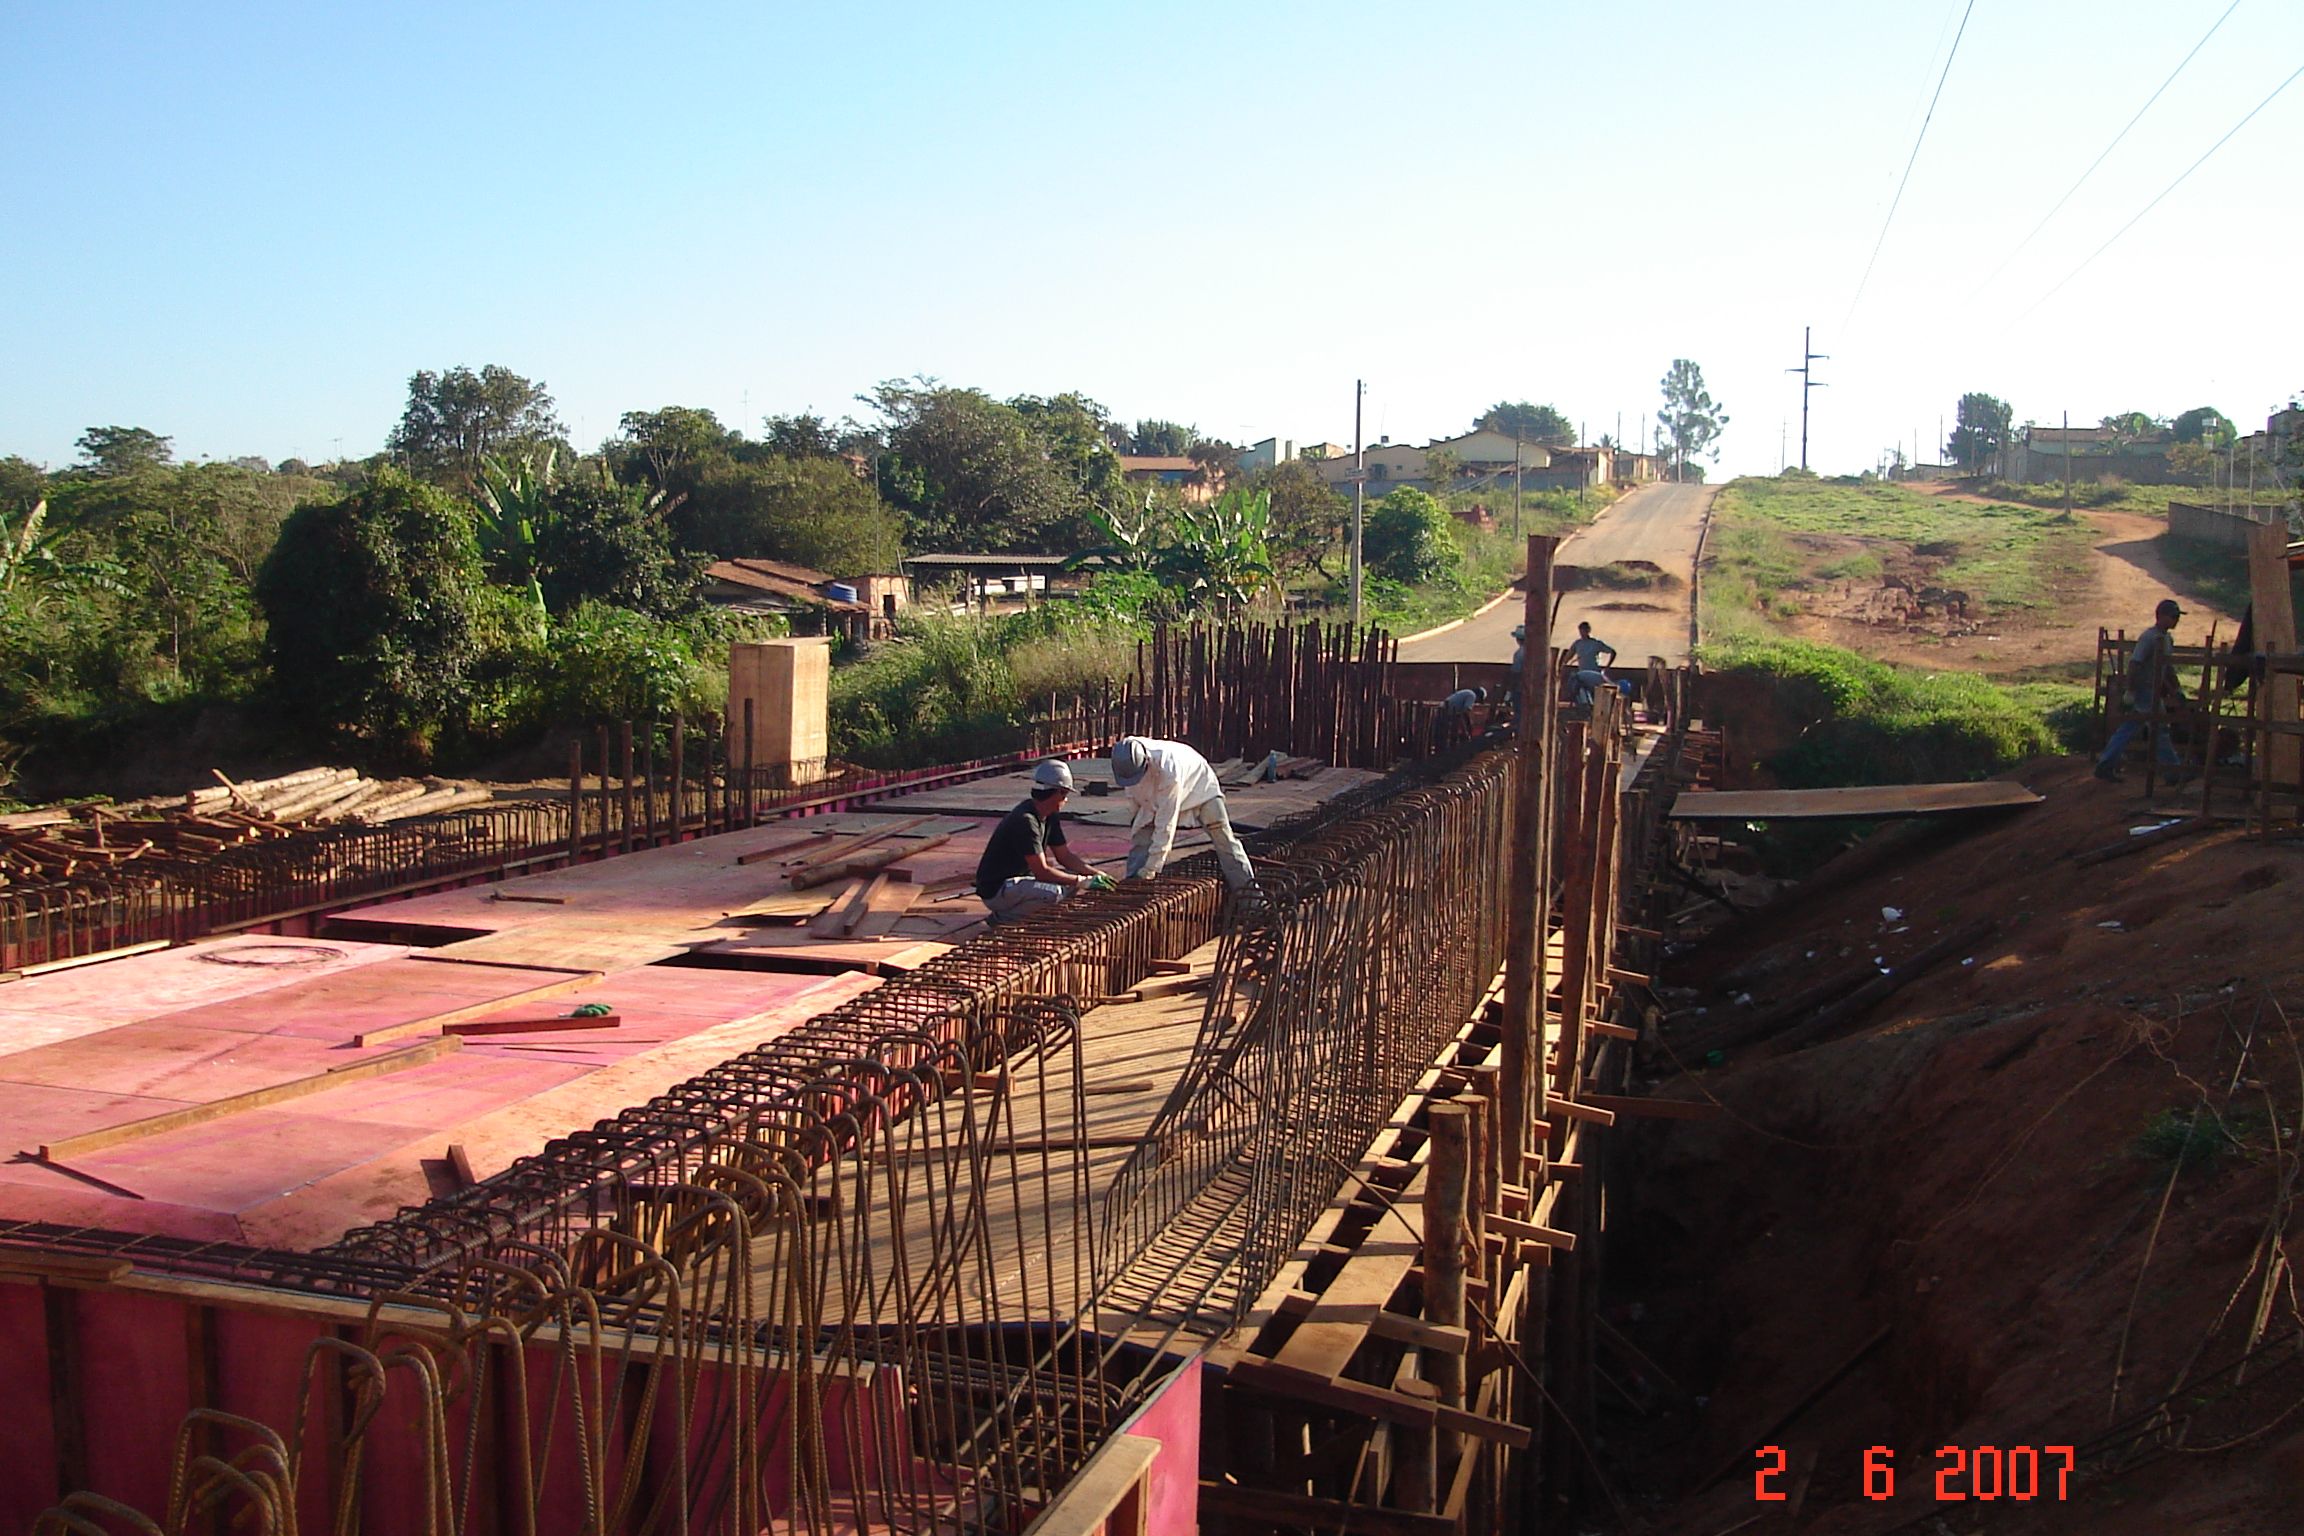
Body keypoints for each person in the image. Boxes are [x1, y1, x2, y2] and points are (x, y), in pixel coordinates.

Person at [974, 759, 1113, 920]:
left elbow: (1065, 856)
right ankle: (1004, 917)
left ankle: (1017, 911)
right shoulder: (1026, 820)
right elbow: (1042, 872)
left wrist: (1096, 875)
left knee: (1069, 882)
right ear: (1057, 792)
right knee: (1054, 894)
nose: (1066, 800)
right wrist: (1082, 882)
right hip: (998, 889)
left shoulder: (1049, 815)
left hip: (1020, 882)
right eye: (1065, 794)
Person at [1111, 736, 1255, 889]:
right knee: (1141, 840)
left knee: (1224, 840)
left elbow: (1166, 825)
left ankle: (1250, 895)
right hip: (1156, 795)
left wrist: (1151, 869)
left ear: (1146, 762)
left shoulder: (1168, 771)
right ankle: (1132, 887)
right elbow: (1133, 798)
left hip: (1200, 788)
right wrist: (1137, 824)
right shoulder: (1126, 758)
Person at [2095, 599, 2185, 782]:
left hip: (2152, 690)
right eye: (2173, 616)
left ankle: (2105, 764)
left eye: (2177, 617)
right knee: (2159, 728)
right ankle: (2172, 771)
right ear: (2161, 616)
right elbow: (2135, 664)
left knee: (2131, 728)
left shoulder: (2166, 639)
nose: (2176, 620)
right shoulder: (2149, 638)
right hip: (2144, 690)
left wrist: (2177, 690)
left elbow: (2167, 669)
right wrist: (2130, 691)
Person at [1566, 621, 1617, 706]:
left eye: (1584, 631)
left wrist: (1607, 667)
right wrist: (1563, 664)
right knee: (1578, 691)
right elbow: (1569, 655)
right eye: (1580, 631)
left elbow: (1612, 652)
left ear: (1588, 631)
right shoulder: (1578, 643)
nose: (1582, 633)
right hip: (1582, 674)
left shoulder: (1596, 643)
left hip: (1594, 674)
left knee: (1596, 696)